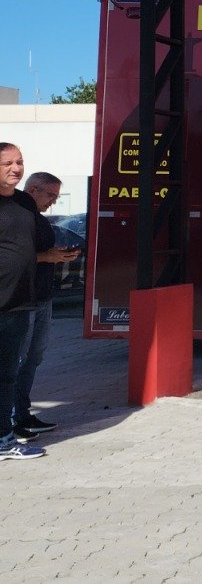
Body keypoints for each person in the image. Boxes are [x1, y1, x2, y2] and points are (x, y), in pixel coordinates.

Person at [14, 171, 77, 444]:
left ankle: (23, 414)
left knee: (33, 358)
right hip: (21, 299)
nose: (53, 201)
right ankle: (11, 420)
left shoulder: (39, 219)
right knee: (16, 360)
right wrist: (45, 257)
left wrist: (57, 255)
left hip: (42, 297)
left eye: (56, 197)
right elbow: (10, 255)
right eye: (50, 195)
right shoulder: (15, 215)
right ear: (33, 189)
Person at [0, 143, 44, 459]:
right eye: (7, 163)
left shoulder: (25, 202)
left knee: (7, 374)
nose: (16, 168)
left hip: (18, 303)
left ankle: (3, 437)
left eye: (20, 162)